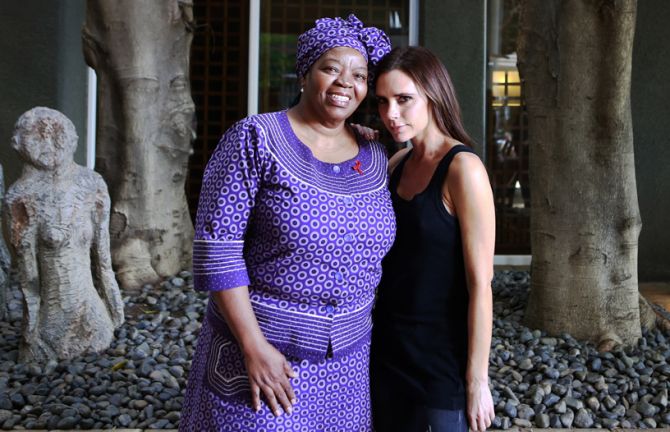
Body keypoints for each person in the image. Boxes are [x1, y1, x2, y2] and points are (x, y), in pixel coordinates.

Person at [179, 15, 394, 431]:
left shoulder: (376, 155)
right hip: (263, 356)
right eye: (331, 68)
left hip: (347, 365)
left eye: (360, 75)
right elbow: (216, 249)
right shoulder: (254, 139)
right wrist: (253, 347)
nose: (345, 83)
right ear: (305, 73)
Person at [369, 46, 496, 432]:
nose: (391, 114)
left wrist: (477, 381)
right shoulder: (394, 164)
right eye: (383, 102)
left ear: (433, 96)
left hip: (440, 366)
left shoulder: (463, 169)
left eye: (404, 99)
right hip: (387, 355)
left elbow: (481, 285)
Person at [5, 107, 124, 362]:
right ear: (20, 144)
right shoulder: (21, 195)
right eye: (38, 137)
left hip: (93, 314)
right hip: (54, 316)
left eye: (57, 136)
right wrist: (31, 331)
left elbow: (103, 260)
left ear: (71, 139)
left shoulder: (92, 183)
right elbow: (28, 277)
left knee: (100, 333)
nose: (49, 144)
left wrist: (114, 306)